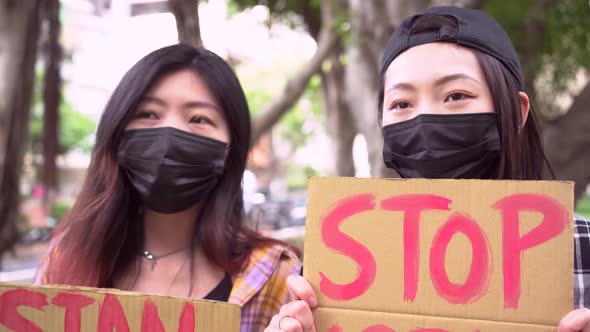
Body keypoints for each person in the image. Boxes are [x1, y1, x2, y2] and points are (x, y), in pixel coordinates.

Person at [264, 6, 590, 332]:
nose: (424, 121)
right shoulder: (331, 268)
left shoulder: (580, 247)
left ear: (517, 113)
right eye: (401, 104)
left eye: (456, 95)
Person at [34, 44, 301, 332]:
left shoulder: (274, 276)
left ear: (229, 150)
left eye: (199, 119)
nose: (170, 133)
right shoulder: (66, 259)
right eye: (148, 114)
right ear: (118, 133)